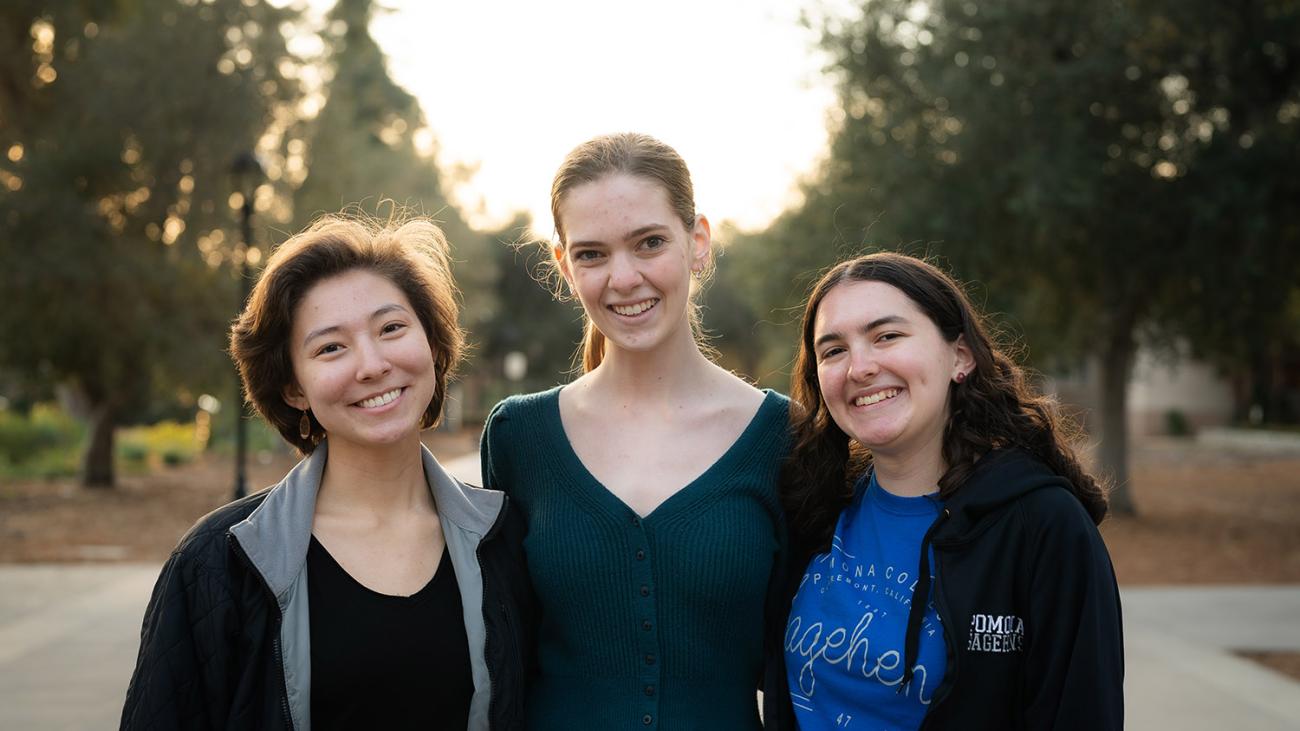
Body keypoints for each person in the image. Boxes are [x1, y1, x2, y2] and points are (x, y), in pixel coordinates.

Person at [121, 215, 531, 730]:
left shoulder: (506, 540)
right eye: (331, 347)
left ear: (431, 344)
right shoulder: (218, 563)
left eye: (391, 328)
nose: (371, 364)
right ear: (294, 389)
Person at [479, 132, 790, 729]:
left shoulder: (784, 438)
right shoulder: (519, 436)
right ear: (565, 266)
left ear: (697, 242)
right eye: (592, 254)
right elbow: (505, 639)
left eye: (649, 243)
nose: (623, 278)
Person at [772, 252, 1123, 730]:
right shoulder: (815, 506)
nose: (859, 367)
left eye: (887, 336)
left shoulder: (1042, 524)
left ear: (960, 356)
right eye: (833, 350)